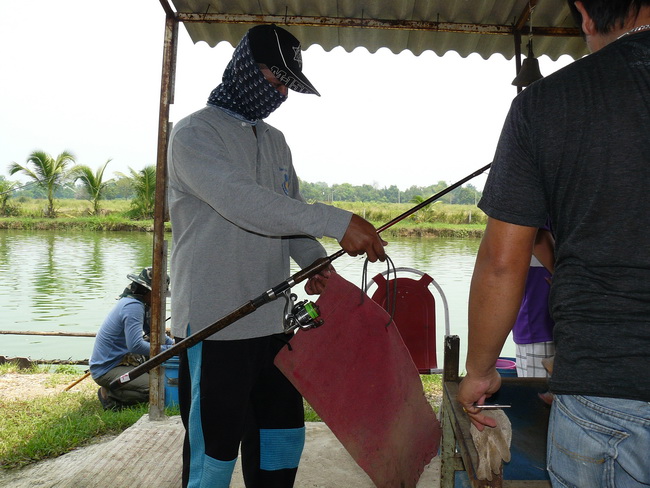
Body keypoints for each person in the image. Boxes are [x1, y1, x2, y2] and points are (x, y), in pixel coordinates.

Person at [167, 24, 387, 488]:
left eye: (288, 85)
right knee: (215, 454)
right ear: (246, 68)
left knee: (282, 439)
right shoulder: (193, 134)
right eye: (275, 79)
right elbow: (244, 202)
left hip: (275, 323)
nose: (282, 93)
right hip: (215, 323)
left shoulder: (276, 142)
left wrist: (314, 260)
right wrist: (335, 221)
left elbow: (286, 216)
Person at [457, 1, 650, 486]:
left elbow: (503, 264)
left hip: (604, 394)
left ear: (585, 13)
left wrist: (479, 373)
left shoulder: (545, 105)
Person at [89, 267, 174, 411]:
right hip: (107, 368)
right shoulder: (133, 307)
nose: (160, 297)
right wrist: (169, 350)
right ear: (148, 291)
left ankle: (120, 386)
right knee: (158, 390)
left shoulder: (141, 304)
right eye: (159, 293)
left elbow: (154, 333)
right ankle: (110, 395)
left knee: (159, 385)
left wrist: (173, 344)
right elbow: (135, 345)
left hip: (122, 362)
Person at [512, 224, 555, 378]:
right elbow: (538, 238)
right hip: (540, 325)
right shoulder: (539, 208)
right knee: (539, 395)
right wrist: (563, 279)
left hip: (566, 325)